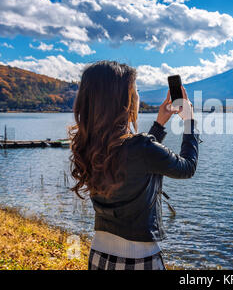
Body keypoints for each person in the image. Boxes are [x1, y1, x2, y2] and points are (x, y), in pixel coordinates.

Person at [69, 61, 199, 270]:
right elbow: (187, 167)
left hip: (99, 255)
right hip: (139, 259)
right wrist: (190, 122)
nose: (138, 97)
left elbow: (136, 160)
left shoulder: (92, 145)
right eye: (135, 90)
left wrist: (159, 124)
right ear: (123, 100)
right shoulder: (140, 148)